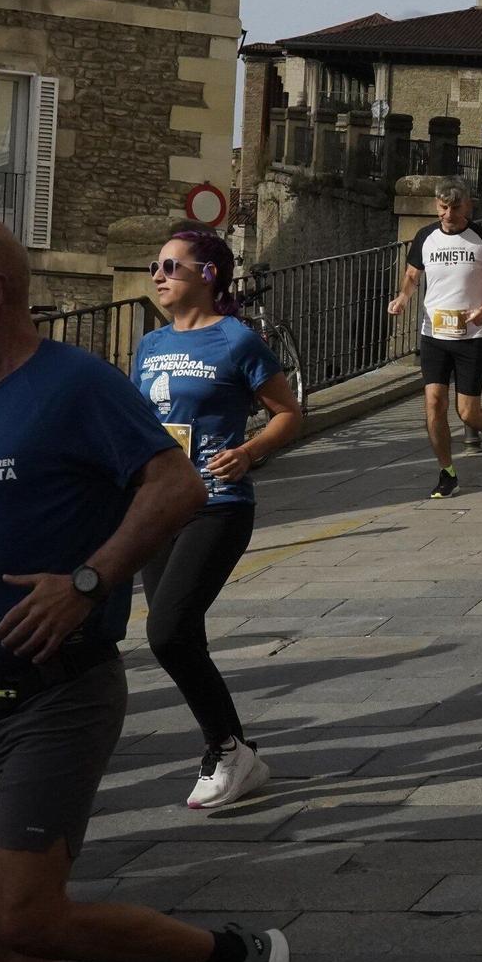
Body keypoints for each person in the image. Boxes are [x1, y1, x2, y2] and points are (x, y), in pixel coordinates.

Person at [0, 218, 287, 962]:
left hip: (59, 695)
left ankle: (228, 956)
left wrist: (87, 581)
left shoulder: (75, 382)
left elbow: (178, 486)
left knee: (26, 915)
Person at [131, 232, 303, 809]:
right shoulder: (150, 344)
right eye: (154, 266)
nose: (158, 274)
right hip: (160, 508)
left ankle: (229, 751)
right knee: (182, 635)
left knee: (167, 631)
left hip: (217, 505)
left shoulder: (237, 340)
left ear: (208, 274)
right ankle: (234, 751)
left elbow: (288, 413)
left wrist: (249, 452)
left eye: (170, 266)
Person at [388, 178, 482, 498]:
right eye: (443, 208)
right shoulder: (425, 237)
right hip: (434, 333)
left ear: (468, 205)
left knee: (468, 412)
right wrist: (402, 298)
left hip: (472, 335)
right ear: (436, 207)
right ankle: (447, 471)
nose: (449, 214)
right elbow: (413, 275)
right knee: (434, 403)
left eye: (456, 208)